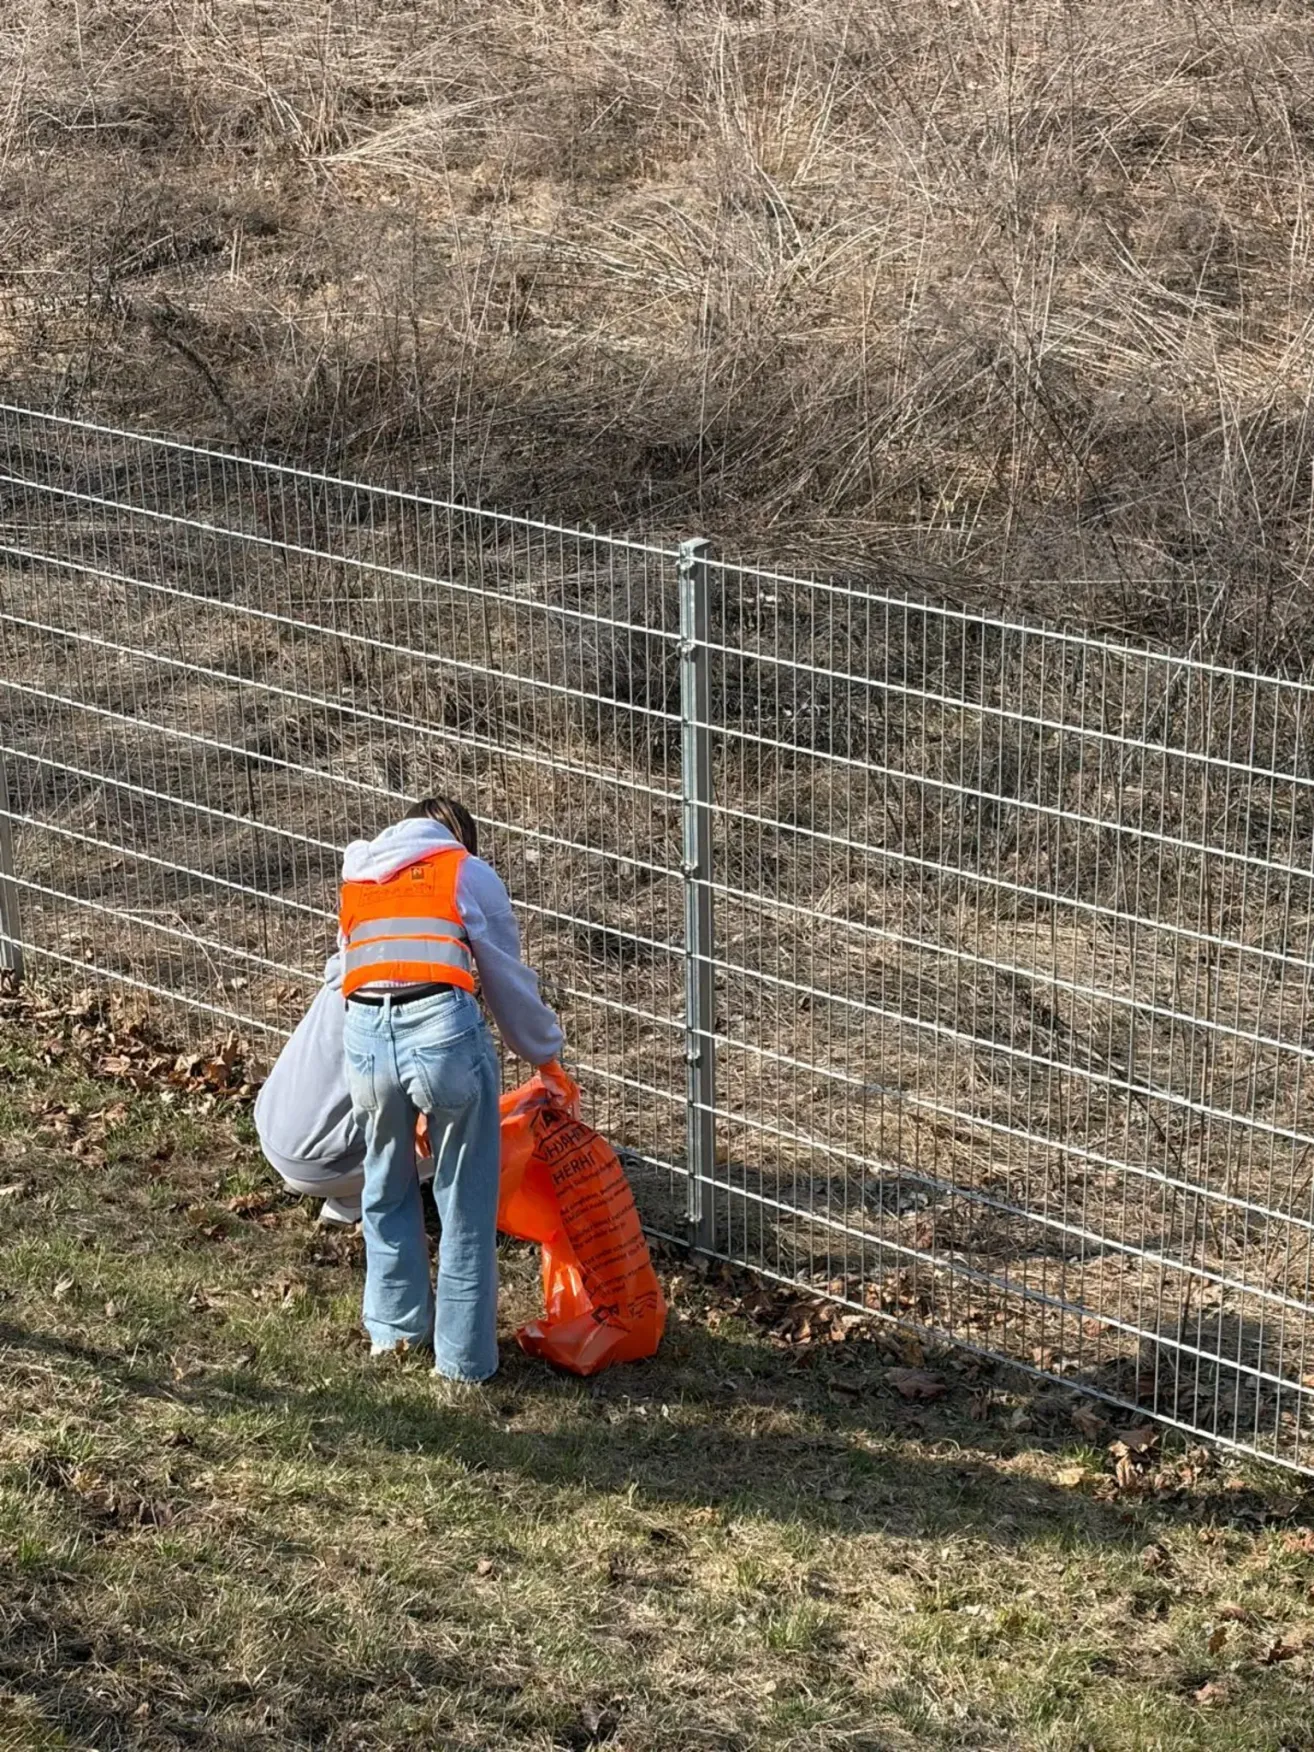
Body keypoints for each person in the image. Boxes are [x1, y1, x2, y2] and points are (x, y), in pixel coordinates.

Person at [338, 795, 565, 1382]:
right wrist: (546, 1058)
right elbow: (506, 978)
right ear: (459, 836)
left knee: (384, 1186)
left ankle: (394, 1334)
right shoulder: (465, 869)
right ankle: (463, 1364)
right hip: (441, 1031)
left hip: (363, 1036)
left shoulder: (359, 873)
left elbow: (350, 971)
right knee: (464, 1201)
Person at [253, 954, 435, 1226]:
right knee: (463, 1127)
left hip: (271, 1128)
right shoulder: (411, 991)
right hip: (324, 1164)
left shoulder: (355, 955)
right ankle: (352, 1198)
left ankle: (325, 1176)